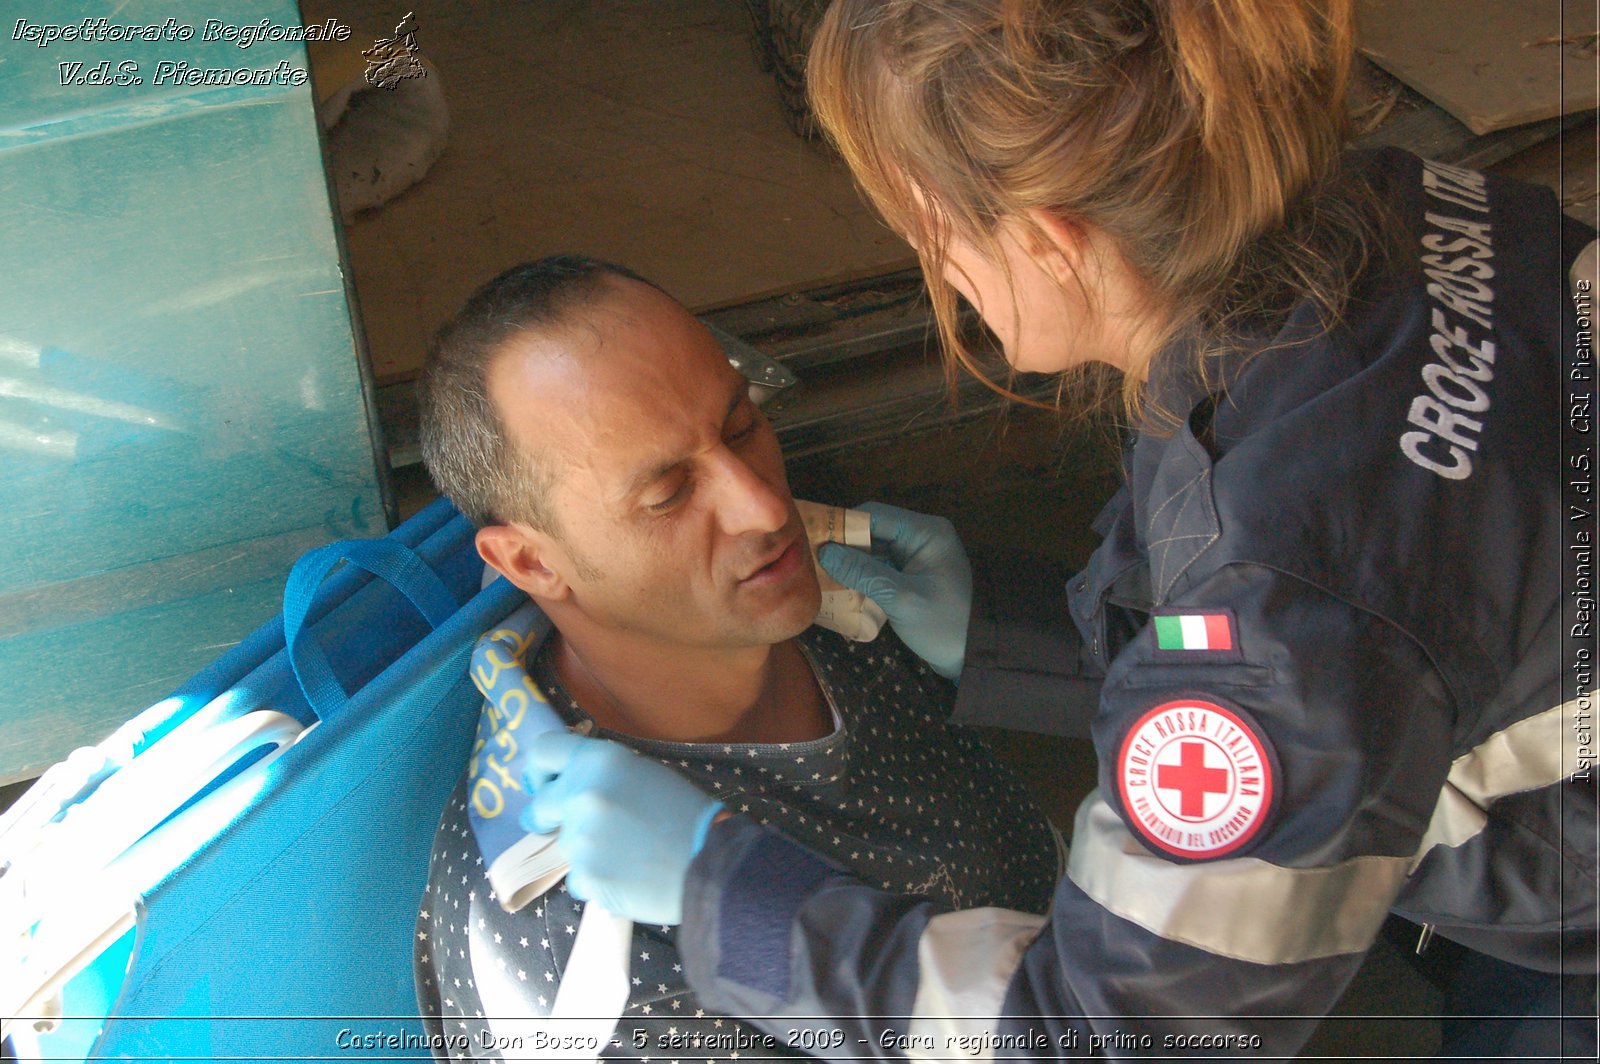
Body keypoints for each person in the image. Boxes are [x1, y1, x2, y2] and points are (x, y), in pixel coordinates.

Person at [519, 1, 1599, 1059]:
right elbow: (1327, 661)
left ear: (1046, 240)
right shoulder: (1407, 201)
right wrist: (1016, 633)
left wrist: (724, 891)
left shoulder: (1280, 603)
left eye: (924, 226)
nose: (934, 269)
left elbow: (1103, 1034)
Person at [410, 254, 1061, 1060]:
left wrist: (1022, 650)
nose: (762, 505)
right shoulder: (587, 946)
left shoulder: (841, 606)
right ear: (534, 565)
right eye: (668, 494)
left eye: (744, 424)